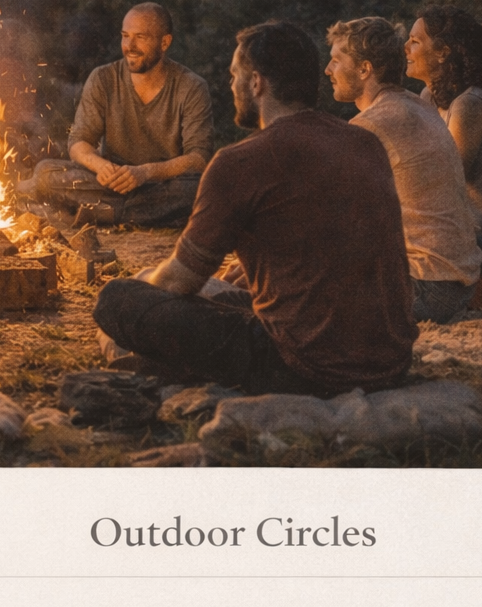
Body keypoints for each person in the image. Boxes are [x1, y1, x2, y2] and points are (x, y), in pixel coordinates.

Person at [92, 21, 416, 395]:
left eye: (234, 76)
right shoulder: (364, 143)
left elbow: (180, 280)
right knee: (226, 299)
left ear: (257, 83)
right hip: (389, 360)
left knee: (117, 299)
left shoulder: (240, 162)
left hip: (306, 367)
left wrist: (144, 289)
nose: (231, 86)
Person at [326, 17, 482, 323]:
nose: (328, 70)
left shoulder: (373, 123)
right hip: (456, 280)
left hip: (425, 287)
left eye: (335, 61)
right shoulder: (416, 105)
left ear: (364, 69)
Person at [24, 3, 214, 226]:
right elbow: (79, 142)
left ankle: (104, 212)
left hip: (163, 185)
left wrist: (145, 173)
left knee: (203, 188)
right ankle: (139, 215)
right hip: (109, 184)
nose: (129, 46)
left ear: (165, 42)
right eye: (125, 36)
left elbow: (198, 159)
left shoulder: (191, 87)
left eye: (140, 37)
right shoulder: (103, 78)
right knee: (46, 173)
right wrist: (100, 166)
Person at [405, 5, 482, 275]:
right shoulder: (429, 95)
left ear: (443, 53)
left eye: (415, 41)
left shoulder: (470, 104)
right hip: (462, 231)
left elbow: (449, 180)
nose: (405, 48)